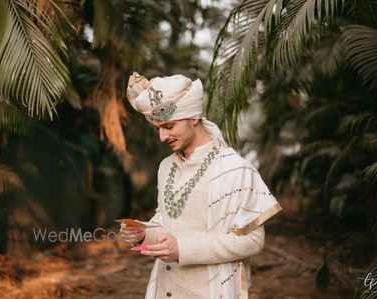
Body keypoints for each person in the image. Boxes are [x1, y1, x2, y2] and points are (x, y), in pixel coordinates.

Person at [119, 72, 282, 299]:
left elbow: (253, 241)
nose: (162, 136)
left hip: (212, 291)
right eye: (157, 128)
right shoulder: (166, 166)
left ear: (194, 117)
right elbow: (166, 221)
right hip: (164, 288)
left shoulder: (234, 168)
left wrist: (184, 249)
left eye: (168, 126)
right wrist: (143, 233)